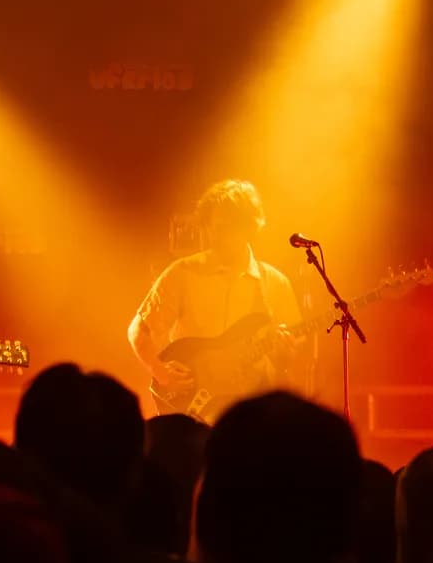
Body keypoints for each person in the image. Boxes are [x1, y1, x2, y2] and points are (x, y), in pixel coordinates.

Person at [127, 179, 306, 421]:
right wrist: (161, 372)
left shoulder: (276, 283)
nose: (214, 235)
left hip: (251, 414)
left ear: (249, 227)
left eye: (224, 228)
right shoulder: (182, 273)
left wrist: (285, 354)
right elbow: (139, 331)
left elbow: (291, 360)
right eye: (211, 227)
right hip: (194, 411)